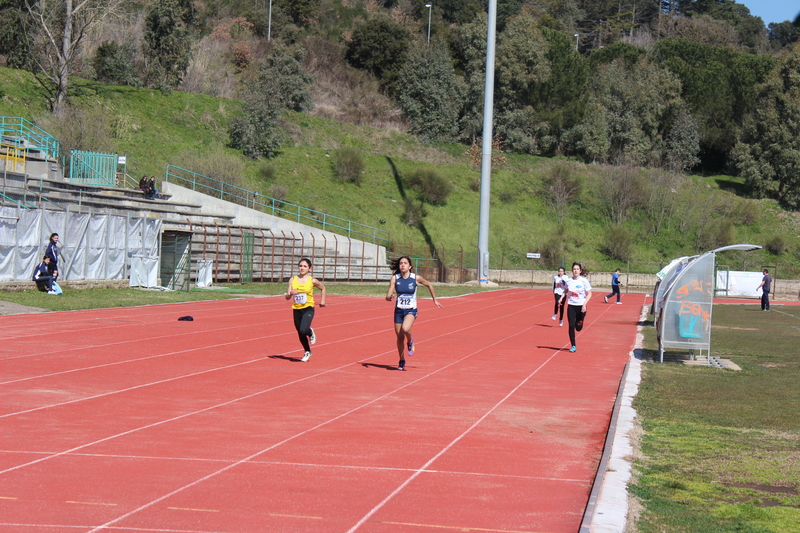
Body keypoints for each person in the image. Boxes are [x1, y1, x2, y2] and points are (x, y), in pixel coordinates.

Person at [385, 255, 443, 370]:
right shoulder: (395, 278)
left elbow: (429, 285)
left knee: (406, 328)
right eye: (401, 263)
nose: (402, 265)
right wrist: (389, 297)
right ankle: (401, 360)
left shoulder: (415, 278)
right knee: (399, 338)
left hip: (411, 310)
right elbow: (387, 296)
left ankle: (410, 341)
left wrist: (434, 299)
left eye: (405, 263)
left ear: (410, 266)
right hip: (398, 311)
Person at [285, 257, 326, 362]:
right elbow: (287, 297)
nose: (302, 268)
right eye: (300, 266)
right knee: (300, 332)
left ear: (309, 268)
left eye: (305, 266)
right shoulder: (292, 280)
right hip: (297, 309)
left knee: (304, 329)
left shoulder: (312, 280)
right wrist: (290, 293)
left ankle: (310, 332)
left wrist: (322, 301)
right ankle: (307, 351)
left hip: (308, 308)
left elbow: (323, 288)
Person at [560, 262, 592, 353]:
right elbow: (566, 289)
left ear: (580, 271)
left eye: (577, 269)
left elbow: (589, 293)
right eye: (574, 269)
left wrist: (584, 304)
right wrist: (562, 298)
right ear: (572, 271)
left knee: (578, 328)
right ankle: (573, 345)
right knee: (571, 325)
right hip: (571, 306)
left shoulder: (584, 281)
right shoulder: (569, 281)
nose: (576, 271)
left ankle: (580, 320)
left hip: (581, 306)